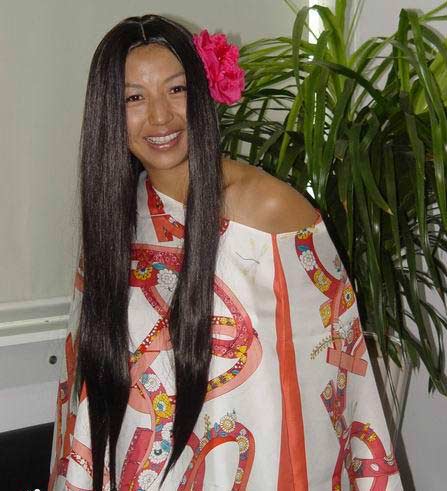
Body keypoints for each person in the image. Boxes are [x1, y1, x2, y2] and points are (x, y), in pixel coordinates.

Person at [48, 14, 402, 491]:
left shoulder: (270, 212)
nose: (160, 116)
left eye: (176, 89)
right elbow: (83, 390)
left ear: (202, 92)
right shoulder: (114, 224)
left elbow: (332, 377)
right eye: (134, 98)